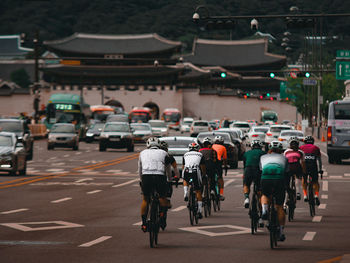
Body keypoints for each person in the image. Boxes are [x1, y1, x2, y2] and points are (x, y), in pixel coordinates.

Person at [139, 137, 173, 232]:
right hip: (160, 176)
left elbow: (140, 169)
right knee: (162, 197)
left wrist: (141, 180)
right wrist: (169, 180)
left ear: (148, 145)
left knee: (145, 199)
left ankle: (144, 223)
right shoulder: (164, 153)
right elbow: (168, 169)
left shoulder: (142, 153)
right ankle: (162, 216)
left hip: (146, 176)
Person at [260, 141, 289, 242]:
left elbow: (261, 170)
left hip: (266, 177)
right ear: (281, 151)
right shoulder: (284, 158)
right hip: (279, 178)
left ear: (269, 150)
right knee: (280, 206)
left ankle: (264, 210)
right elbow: (287, 172)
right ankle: (281, 232)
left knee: (265, 195)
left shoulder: (263, 157)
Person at [182, 142, 206, 219]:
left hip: (186, 170)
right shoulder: (200, 155)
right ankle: (199, 211)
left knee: (185, 179)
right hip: (195, 171)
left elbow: (183, 166)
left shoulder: (185, 154)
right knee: (198, 190)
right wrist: (203, 175)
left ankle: (185, 193)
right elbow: (202, 167)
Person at [299, 136, 323, 206]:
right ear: (313, 142)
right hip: (313, 166)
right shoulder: (316, 148)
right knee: (315, 182)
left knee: (304, 179)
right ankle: (316, 195)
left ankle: (305, 195)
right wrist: (320, 169)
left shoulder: (301, 148)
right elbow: (319, 161)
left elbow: (299, 159)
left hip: (304, 166)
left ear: (305, 142)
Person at [242, 140, 266, 208]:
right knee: (259, 187)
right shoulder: (264, 153)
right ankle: (260, 201)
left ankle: (246, 198)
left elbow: (244, 165)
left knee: (246, 184)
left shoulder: (247, 153)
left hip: (248, 169)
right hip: (258, 170)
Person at [284, 137, 306, 203]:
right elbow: (303, 163)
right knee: (298, 178)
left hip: (288, 168)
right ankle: (298, 193)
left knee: (287, 185)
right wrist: (304, 172)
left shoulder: (286, 151)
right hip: (297, 166)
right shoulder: (301, 152)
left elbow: (284, 161)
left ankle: (285, 203)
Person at [159, 140, 180, 209]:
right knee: (169, 184)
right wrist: (177, 177)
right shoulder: (169, 157)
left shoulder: (153, 156)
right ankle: (167, 200)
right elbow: (175, 169)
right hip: (165, 178)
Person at [212, 135, 227, 201]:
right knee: (220, 178)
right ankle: (221, 194)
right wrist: (225, 166)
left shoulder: (212, 146)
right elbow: (225, 159)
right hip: (218, 163)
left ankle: (211, 189)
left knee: (210, 176)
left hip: (210, 162)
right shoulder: (223, 147)